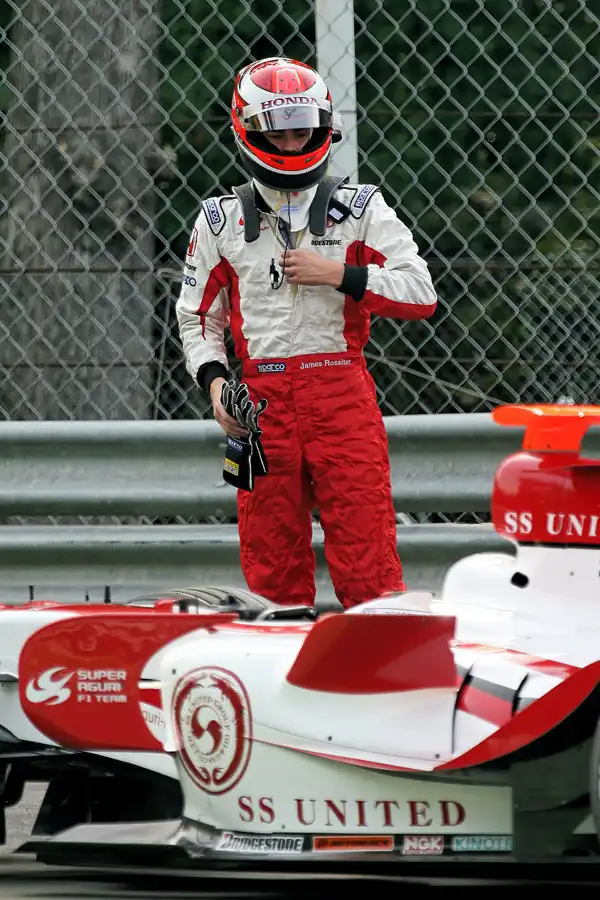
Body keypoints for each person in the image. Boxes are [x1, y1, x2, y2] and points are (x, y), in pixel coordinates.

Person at [176, 56, 437, 610]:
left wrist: (340, 274)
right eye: (279, 130)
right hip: (260, 404)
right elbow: (198, 315)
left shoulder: (361, 208)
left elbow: (421, 292)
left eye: (303, 128)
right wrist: (216, 382)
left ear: (323, 127)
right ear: (248, 129)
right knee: (271, 571)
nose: (294, 143)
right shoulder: (219, 220)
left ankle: (379, 682)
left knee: (369, 562)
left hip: (341, 395)